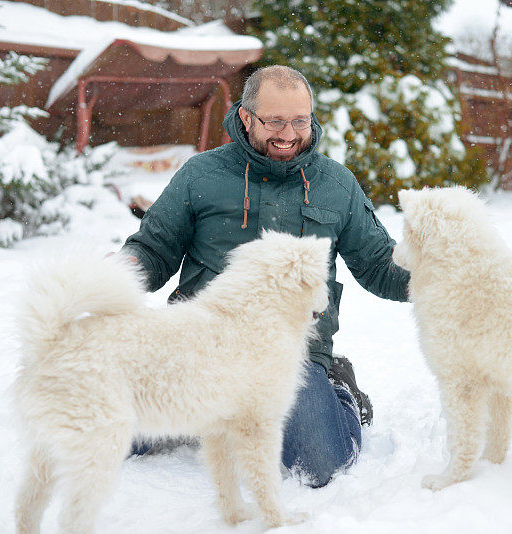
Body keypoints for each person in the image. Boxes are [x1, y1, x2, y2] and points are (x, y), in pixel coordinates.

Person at [120, 65, 410, 487]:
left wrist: (445, 276)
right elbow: (154, 248)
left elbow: (381, 267)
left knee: (321, 463)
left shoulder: (336, 185)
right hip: (198, 344)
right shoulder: (201, 175)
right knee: (110, 431)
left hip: (289, 356)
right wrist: (117, 275)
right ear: (245, 117)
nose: (289, 134)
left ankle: (338, 392)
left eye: (300, 121)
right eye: (275, 121)